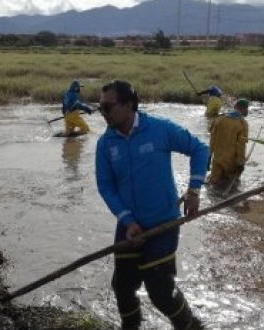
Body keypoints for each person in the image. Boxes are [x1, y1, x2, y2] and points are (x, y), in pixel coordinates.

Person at [95, 80, 208, 330]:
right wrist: (128, 221)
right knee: (122, 286)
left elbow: (200, 149)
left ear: (129, 105)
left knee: (159, 288)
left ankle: (190, 325)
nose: (103, 113)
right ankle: (131, 326)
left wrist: (194, 190)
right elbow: (106, 186)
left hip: (163, 222)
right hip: (129, 224)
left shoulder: (159, 129)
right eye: (100, 107)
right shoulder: (106, 144)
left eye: (108, 107)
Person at [208, 98, 249, 189]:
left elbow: (212, 141)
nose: (248, 111)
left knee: (213, 184)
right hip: (231, 164)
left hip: (217, 161)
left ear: (235, 107)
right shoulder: (242, 124)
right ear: (244, 109)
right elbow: (241, 146)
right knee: (231, 187)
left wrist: (208, 157)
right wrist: (241, 163)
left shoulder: (219, 119)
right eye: (247, 108)